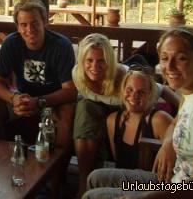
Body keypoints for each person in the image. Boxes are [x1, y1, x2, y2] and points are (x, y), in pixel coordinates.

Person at [83, 27, 193, 199]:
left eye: (181, 58)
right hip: (175, 181)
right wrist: (168, 142)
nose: (169, 66)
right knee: (96, 178)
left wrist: (145, 197)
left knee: (94, 196)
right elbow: (176, 122)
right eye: (164, 58)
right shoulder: (191, 93)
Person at [0, 0, 76, 197]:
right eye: (23, 25)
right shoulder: (11, 43)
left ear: (45, 22)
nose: (29, 29)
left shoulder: (61, 45)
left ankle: (56, 181)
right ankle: (5, 164)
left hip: (52, 100)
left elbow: (70, 90)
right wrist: (13, 98)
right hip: (23, 100)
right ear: (17, 26)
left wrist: (40, 102)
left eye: (34, 23)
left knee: (68, 112)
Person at [73, 33, 179, 198]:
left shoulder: (125, 80)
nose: (94, 66)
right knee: (84, 109)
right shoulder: (78, 76)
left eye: (101, 61)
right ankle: (84, 180)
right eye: (89, 61)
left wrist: (181, 116)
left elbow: (163, 90)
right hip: (113, 117)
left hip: (168, 184)